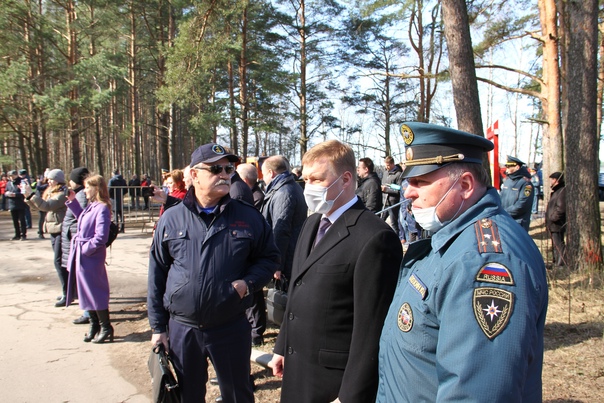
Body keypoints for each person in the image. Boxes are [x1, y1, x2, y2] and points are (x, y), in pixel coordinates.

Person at [376, 122, 548, 402]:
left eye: (421, 181)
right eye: (409, 182)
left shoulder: (484, 261)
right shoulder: (453, 238)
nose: (408, 192)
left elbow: (478, 392)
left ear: (465, 185)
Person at [269, 140, 402, 402]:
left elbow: (371, 330)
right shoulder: (312, 223)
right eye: (306, 179)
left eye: (317, 179)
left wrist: (350, 395)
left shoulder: (374, 237)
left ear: (345, 179)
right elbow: (298, 288)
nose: (309, 188)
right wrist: (282, 345)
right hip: (298, 368)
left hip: (333, 382)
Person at [147, 143, 280, 403]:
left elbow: (270, 258)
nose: (224, 174)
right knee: (188, 395)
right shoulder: (171, 219)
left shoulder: (248, 217)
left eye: (228, 168)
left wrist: (248, 284)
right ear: (194, 175)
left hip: (229, 327)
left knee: (237, 395)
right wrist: (157, 327)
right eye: (216, 168)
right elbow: (157, 274)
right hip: (183, 330)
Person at [256, 155, 307, 343]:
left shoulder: (284, 192)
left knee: (290, 299)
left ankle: (291, 338)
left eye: (264, 173)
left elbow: (281, 228)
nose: (263, 178)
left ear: (270, 172)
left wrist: (276, 262)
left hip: (288, 255)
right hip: (288, 253)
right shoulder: (284, 188)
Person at [65, 174, 114, 343]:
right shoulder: (91, 205)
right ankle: (94, 325)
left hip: (91, 257)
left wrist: (85, 249)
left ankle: (106, 326)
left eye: (87, 187)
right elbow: (83, 220)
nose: (84, 190)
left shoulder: (102, 207)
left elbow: (101, 236)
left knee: (96, 291)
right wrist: (73, 203)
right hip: (82, 256)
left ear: (96, 188)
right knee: (86, 291)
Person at [24, 169, 69, 307]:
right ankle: (67, 290)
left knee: (59, 261)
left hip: (61, 229)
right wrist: (28, 198)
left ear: (58, 180)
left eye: (51, 179)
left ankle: (68, 292)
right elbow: (40, 207)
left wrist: (31, 194)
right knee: (58, 261)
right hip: (53, 229)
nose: (48, 181)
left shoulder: (63, 193)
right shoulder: (51, 191)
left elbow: (48, 206)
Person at [61, 167, 91, 325]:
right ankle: (88, 310)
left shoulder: (83, 196)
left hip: (79, 242)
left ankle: (89, 313)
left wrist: (84, 245)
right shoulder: (78, 195)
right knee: (80, 277)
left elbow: (83, 219)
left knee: (84, 278)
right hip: (74, 239)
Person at [500, 155, 534, 231]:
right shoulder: (507, 181)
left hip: (518, 223)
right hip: (505, 220)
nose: (507, 169)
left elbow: (522, 204)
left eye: (509, 167)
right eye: (506, 166)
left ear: (517, 167)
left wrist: (505, 212)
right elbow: (501, 197)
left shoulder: (526, 184)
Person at [546, 172, 566, 267]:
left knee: (558, 244)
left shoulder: (562, 191)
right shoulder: (556, 191)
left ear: (557, 180)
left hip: (557, 224)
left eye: (552, 179)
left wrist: (553, 218)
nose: (551, 181)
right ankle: (555, 261)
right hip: (553, 224)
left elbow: (561, 208)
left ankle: (561, 263)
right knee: (555, 244)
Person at [381, 156, 403, 235]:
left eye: (388, 165)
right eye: (386, 165)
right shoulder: (385, 173)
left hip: (393, 201)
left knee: (394, 223)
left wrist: (387, 190)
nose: (387, 167)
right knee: (380, 220)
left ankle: (397, 238)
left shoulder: (398, 174)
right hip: (384, 201)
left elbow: (399, 190)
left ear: (393, 164)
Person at [5, 170, 27, 240]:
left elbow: (24, 192)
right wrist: (7, 194)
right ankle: (17, 234)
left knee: (22, 220)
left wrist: (16, 195)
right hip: (12, 204)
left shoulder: (21, 181)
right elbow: (6, 191)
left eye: (12, 176)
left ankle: (23, 234)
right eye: (10, 176)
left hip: (20, 203)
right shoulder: (8, 183)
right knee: (15, 220)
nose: (11, 177)